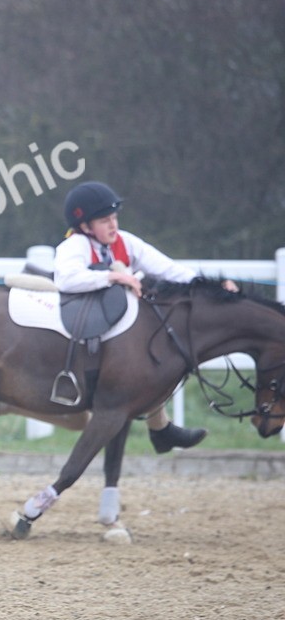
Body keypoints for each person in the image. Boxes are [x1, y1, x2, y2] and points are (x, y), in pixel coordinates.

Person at [54, 181, 237, 453]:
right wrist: (114, 275)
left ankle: (159, 427)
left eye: (114, 218)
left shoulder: (126, 242)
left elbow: (169, 271)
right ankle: (159, 428)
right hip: (77, 315)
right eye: (105, 221)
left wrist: (211, 285)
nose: (113, 225)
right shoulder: (75, 245)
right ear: (85, 226)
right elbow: (67, 278)